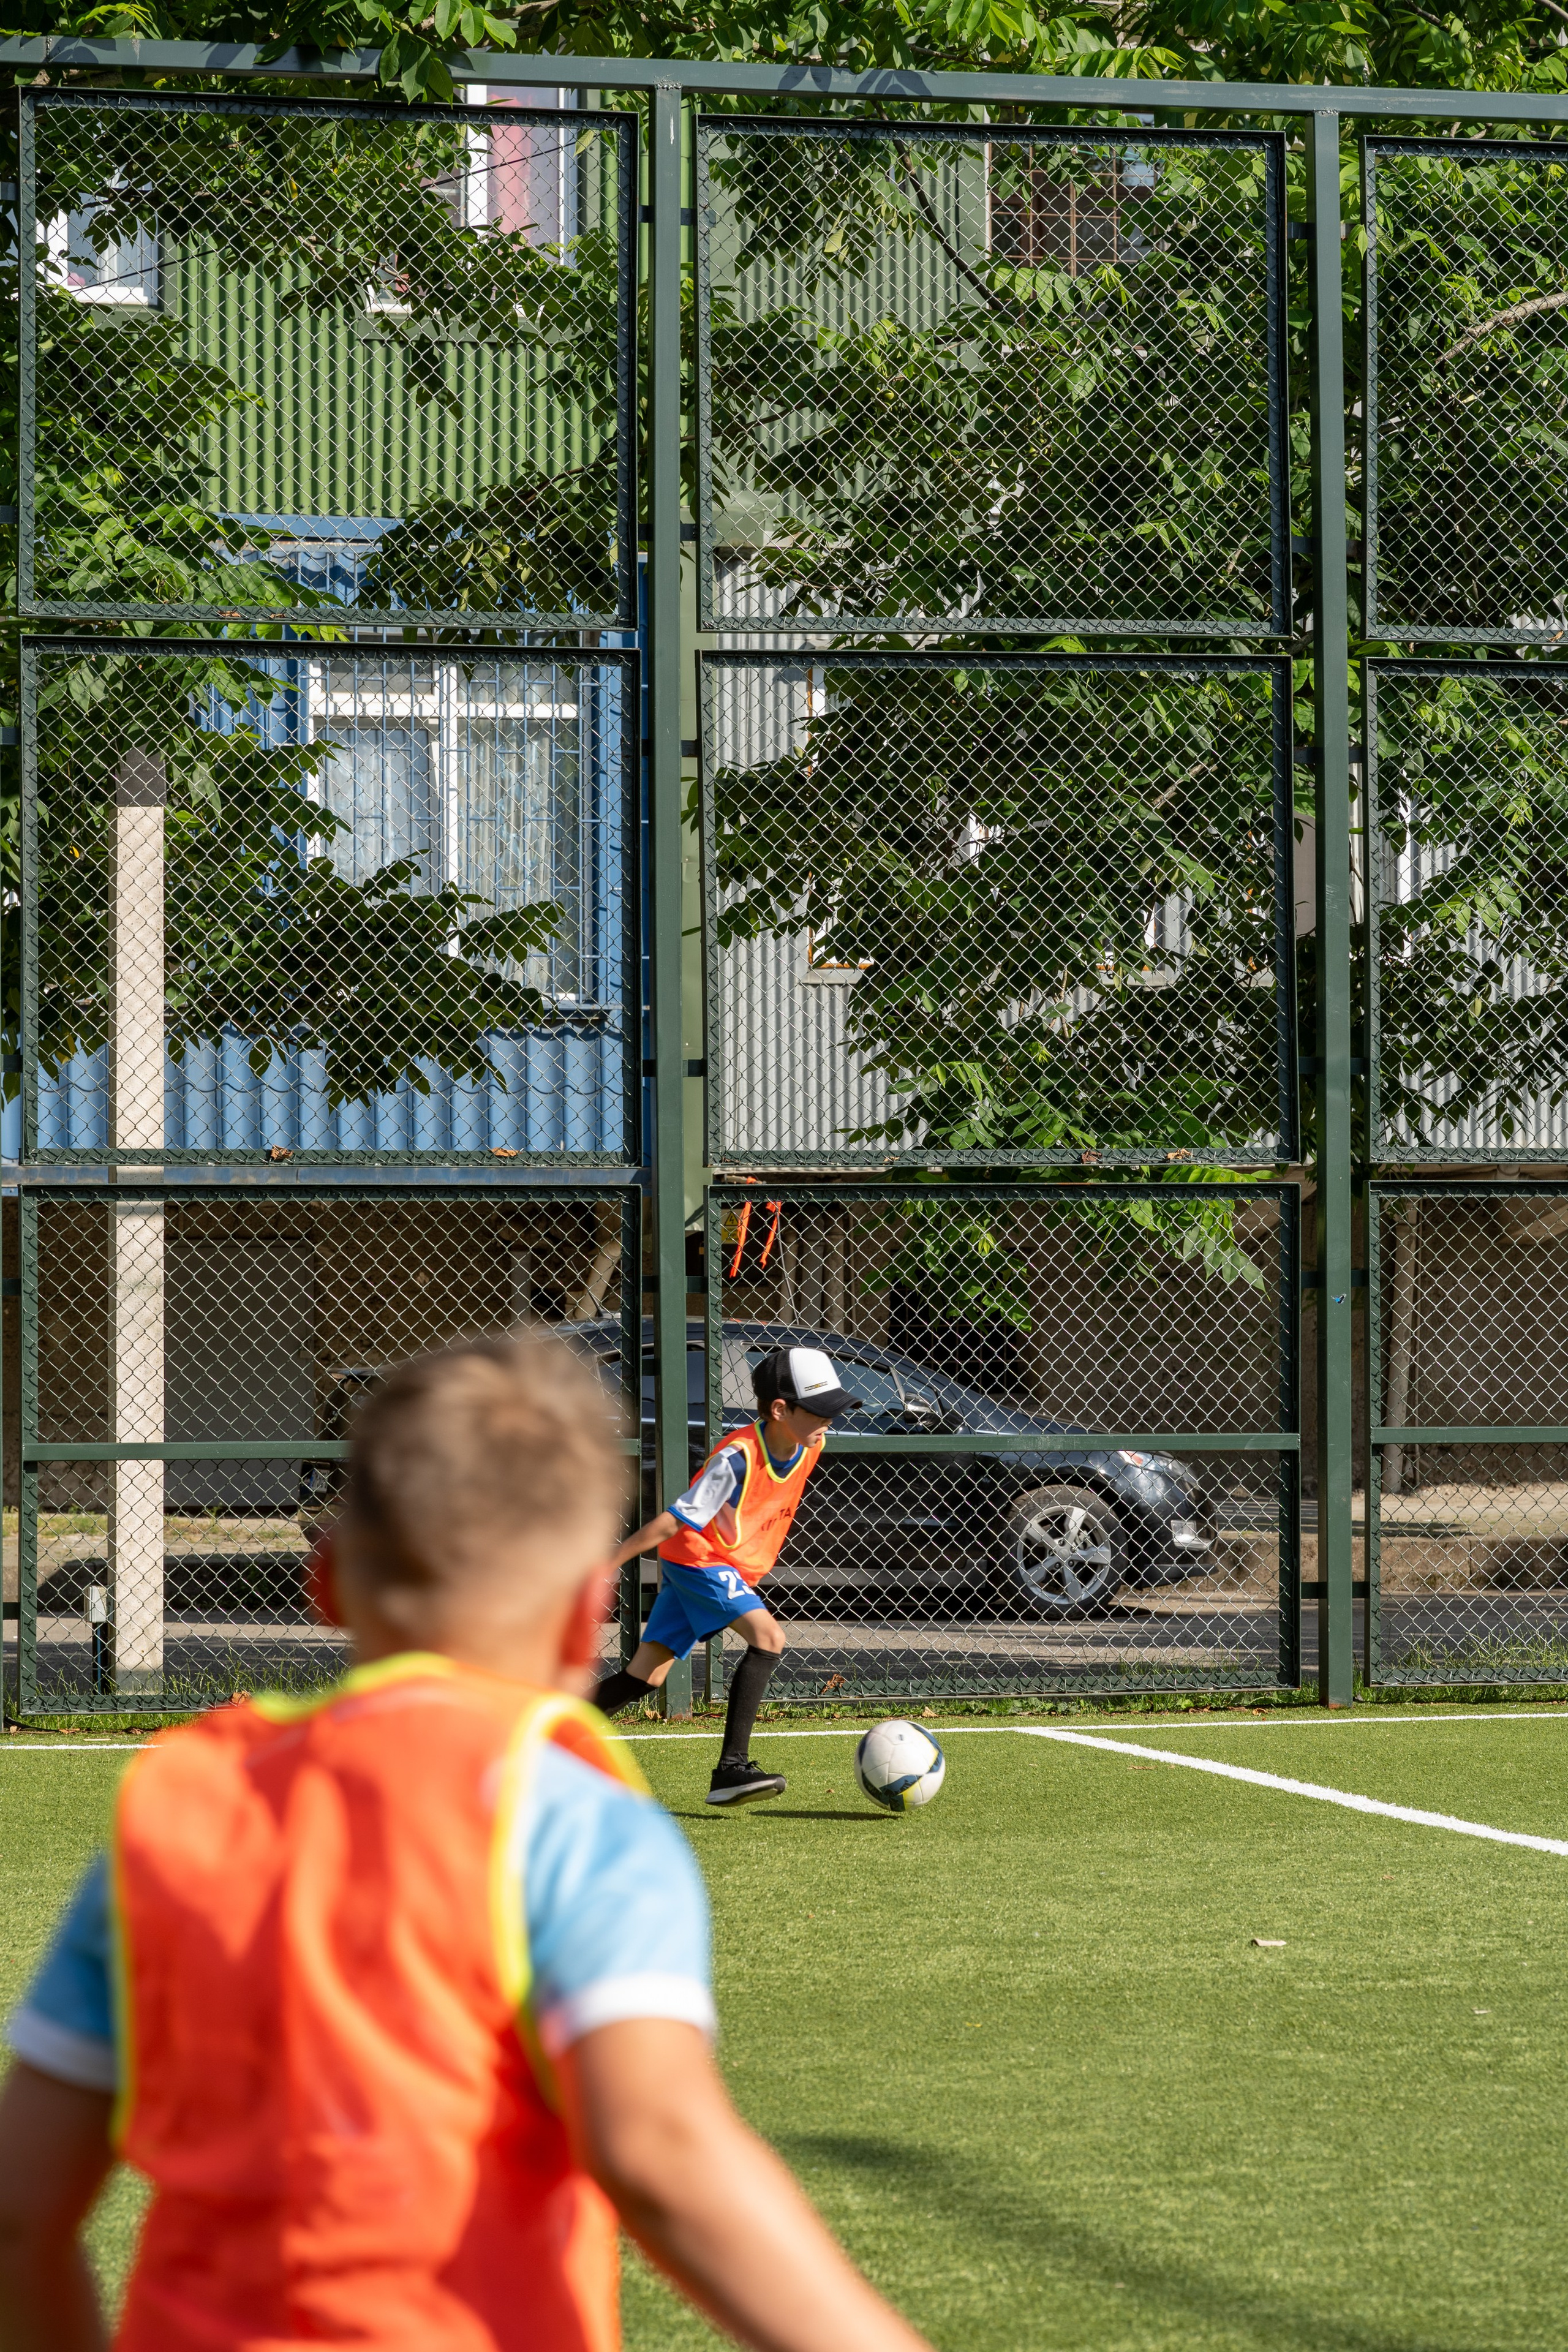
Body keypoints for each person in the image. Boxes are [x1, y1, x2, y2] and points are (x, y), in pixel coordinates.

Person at [0, 1335, 929, 2352]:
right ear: (584, 1616)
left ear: (328, 1586)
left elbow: (20, 2216)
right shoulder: (584, 1824)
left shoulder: (175, 1805)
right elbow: (664, 2159)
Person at [594, 1346, 859, 1808]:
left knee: (646, 1675)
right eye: (819, 1411)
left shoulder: (810, 1444)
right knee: (768, 1638)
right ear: (780, 1409)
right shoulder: (736, 1457)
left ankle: (540, 1734)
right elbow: (676, 1521)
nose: (828, 1422)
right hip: (700, 1560)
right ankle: (731, 1768)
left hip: (722, 1564)